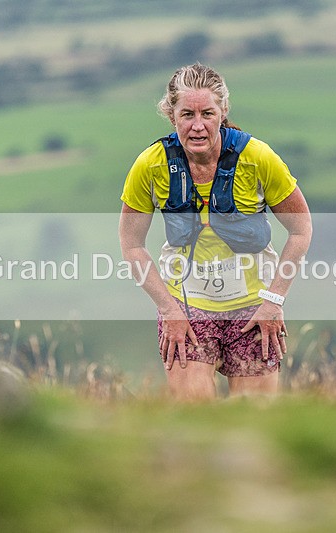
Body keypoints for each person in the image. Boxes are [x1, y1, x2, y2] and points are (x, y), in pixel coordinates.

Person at [119, 63, 312, 401]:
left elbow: (301, 229)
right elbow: (131, 243)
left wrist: (274, 301)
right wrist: (169, 310)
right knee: (195, 418)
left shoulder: (258, 158)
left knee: (255, 425)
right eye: (187, 114)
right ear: (171, 116)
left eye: (207, 113)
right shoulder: (150, 165)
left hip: (254, 308)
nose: (197, 126)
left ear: (222, 112)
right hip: (186, 311)